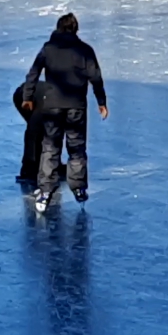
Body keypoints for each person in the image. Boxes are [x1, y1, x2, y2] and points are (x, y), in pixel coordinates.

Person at [21, 13, 109, 213]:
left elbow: (33, 73)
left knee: (50, 147)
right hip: (76, 106)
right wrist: (101, 101)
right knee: (76, 147)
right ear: (75, 29)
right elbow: (96, 77)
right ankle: (78, 187)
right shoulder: (85, 50)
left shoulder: (48, 49)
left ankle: (45, 190)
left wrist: (27, 96)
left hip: (52, 105)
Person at [12, 80, 61, 185]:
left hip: (42, 97)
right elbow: (31, 134)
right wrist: (28, 171)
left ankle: (51, 164)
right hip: (23, 97)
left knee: (52, 132)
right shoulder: (46, 107)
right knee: (38, 131)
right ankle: (30, 169)